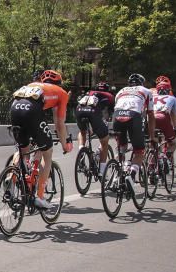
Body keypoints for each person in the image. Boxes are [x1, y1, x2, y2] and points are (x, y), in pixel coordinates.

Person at [8, 69, 72, 210]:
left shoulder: (33, 85)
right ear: (59, 83)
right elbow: (59, 124)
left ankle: (11, 180)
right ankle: (40, 197)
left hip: (15, 108)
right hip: (32, 111)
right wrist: (64, 144)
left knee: (23, 148)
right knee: (47, 152)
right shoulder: (61, 92)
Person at [112, 73, 155, 194]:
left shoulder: (121, 91)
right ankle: (131, 175)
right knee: (139, 151)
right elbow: (151, 115)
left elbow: (117, 107)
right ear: (142, 83)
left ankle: (116, 177)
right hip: (134, 116)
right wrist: (152, 136)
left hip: (117, 116)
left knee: (121, 148)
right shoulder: (147, 91)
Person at [74, 81, 114, 175]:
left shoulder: (90, 93)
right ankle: (102, 171)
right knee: (105, 141)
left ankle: (81, 150)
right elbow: (110, 113)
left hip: (79, 109)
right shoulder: (109, 96)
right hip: (93, 112)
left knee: (82, 131)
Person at [151, 81, 176, 155]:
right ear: (169, 90)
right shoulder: (172, 98)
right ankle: (167, 159)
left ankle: (152, 161)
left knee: (152, 140)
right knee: (172, 143)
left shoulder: (152, 97)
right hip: (163, 117)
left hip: (151, 118)